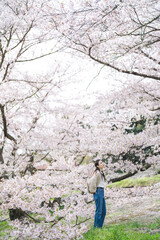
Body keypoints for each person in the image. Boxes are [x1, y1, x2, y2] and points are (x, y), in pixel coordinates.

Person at [92, 159, 106, 228]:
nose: (102, 163)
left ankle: (99, 227)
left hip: (101, 191)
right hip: (98, 191)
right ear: (97, 165)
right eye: (100, 163)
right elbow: (91, 182)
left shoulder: (101, 172)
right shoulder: (96, 173)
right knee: (99, 211)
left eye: (102, 162)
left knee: (103, 211)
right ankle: (96, 228)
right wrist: (94, 190)